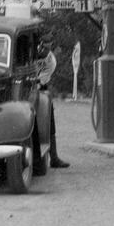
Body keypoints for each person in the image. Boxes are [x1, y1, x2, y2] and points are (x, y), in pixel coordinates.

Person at [39, 37, 70, 168]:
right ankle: (53, 157)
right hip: (35, 86)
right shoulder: (46, 56)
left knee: (48, 123)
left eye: (49, 44)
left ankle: (54, 157)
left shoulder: (50, 59)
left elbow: (43, 77)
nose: (46, 47)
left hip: (40, 87)